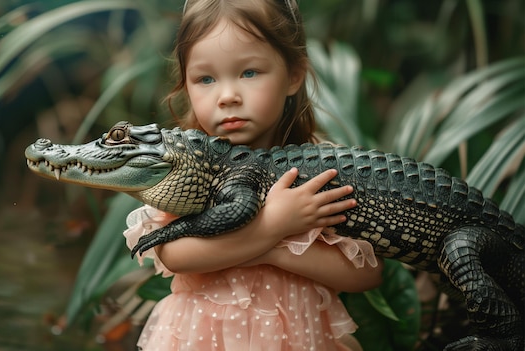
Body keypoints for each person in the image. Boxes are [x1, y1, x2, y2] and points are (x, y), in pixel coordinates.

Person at [124, 1, 384, 350]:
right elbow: (175, 255)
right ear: (186, 86)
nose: (228, 96)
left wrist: (271, 248)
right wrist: (273, 229)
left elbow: (366, 274)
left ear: (293, 75)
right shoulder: (189, 168)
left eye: (248, 73)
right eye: (205, 79)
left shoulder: (320, 171)